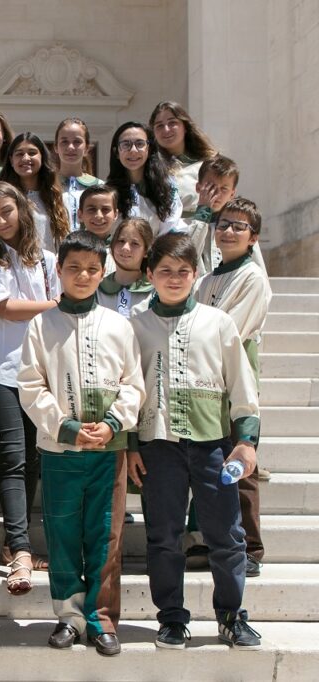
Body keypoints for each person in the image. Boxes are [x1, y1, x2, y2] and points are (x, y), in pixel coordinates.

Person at [127, 233, 262, 650]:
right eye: (165, 270)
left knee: (226, 535)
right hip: (157, 446)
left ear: (196, 274)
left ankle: (231, 615)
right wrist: (131, 445)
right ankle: (171, 618)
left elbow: (241, 384)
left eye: (183, 271)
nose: (174, 278)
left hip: (213, 446)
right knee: (164, 537)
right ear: (150, 274)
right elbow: (126, 387)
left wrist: (246, 441)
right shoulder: (134, 324)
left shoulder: (217, 322)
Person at [17, 231, 145, 656]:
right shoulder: (42, 325)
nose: (83, 276)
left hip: (109, 452)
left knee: (105, 536)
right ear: (59, 270)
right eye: (74, 268)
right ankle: (69, 617)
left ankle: (101, 619)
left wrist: (112, 424)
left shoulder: (119, 325)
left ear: (103, 271)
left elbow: (133, 385)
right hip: (61, 452)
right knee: (63, 534)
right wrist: (65, 427)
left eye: (92, 269)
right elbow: (31, 385)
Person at [0, 182, 60, 594]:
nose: (0, 220)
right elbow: (4, 308)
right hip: (1, 368)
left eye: (6, 211)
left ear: (21, 209)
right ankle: (20, 548)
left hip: (42, 370)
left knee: (36, 458)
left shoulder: (46, 258)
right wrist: (58, 305)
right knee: (13, 458)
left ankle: (13, 542)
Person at [193, 197, 273, 578]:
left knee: (241, 460)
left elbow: (230, 331)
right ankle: (215, 540)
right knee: (211, 460)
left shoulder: (253, 277)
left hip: (236, 373)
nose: (227, 231)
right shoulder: (207, 279)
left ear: (252, 237)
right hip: (205, 377)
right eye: (223, 224)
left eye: (238, 227)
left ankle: (251, 547)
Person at [184, 155, 267, 277]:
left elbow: (259, 272)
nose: (216, 194)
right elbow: (185, 257)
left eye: (224, 189)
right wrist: (203, 213)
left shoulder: (241, 227)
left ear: (232, 194)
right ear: (198, 187)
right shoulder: (185, 224)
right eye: (210, 187)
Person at [105, 122, 184, 237]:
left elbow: (170, 229)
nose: (133, 150)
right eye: (126, 144)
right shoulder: (107, 192)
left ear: (149, 149)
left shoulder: (166, 189)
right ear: (116, 152)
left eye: (140, 144)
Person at [0, 133, 71, 251]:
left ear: (42, 157)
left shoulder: (58, 199)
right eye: (19, 154)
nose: (26, 158)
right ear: (11, 160)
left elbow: (66, 240)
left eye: (32, 153)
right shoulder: (2, 199)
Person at [149, 101, 218, 219]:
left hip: (201, 225)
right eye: (159, 125)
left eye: (172, 123)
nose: (166, 129)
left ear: (185, 127)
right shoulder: (148, 167)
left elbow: (219, 205)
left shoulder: (208, 165)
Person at [97, 217, 155, 318]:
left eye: (135, 243)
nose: (125, 248)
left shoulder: (155, 292)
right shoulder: (96, 290)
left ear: (146, 251)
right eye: (121, 241)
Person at [55, 118, 104, 232]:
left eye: (77, 142)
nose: (70, 147)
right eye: (64, 142)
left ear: (87, 148)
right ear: (56, 147)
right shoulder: (45, 186)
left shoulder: (101, 187)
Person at [76, 185, 120, 272]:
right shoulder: (69, 249)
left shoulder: (123, 252)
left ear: (115, 214)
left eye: (105, 209)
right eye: (91, 209)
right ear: (80, 215)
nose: (99, 216)